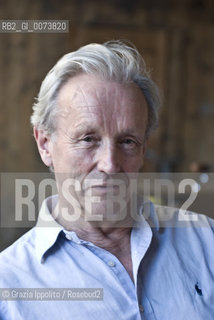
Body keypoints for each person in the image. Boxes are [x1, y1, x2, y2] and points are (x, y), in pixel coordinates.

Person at [0, 40, 213, 320]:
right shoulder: (9, 287)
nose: (110, 165)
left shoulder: (206, 240)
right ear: (45, 144)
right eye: (88, 139)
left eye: (127, 141)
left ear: (143, 149)